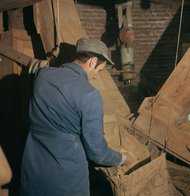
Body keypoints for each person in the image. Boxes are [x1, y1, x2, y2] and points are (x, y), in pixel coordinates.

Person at [20, 38, 133, 196]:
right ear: (93, 62)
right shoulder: (89, 94)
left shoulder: (42, 75)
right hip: (65, 178)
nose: (95, 76)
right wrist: (122, 159)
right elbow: (97, 153)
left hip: (32, 168)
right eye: (99, 71)